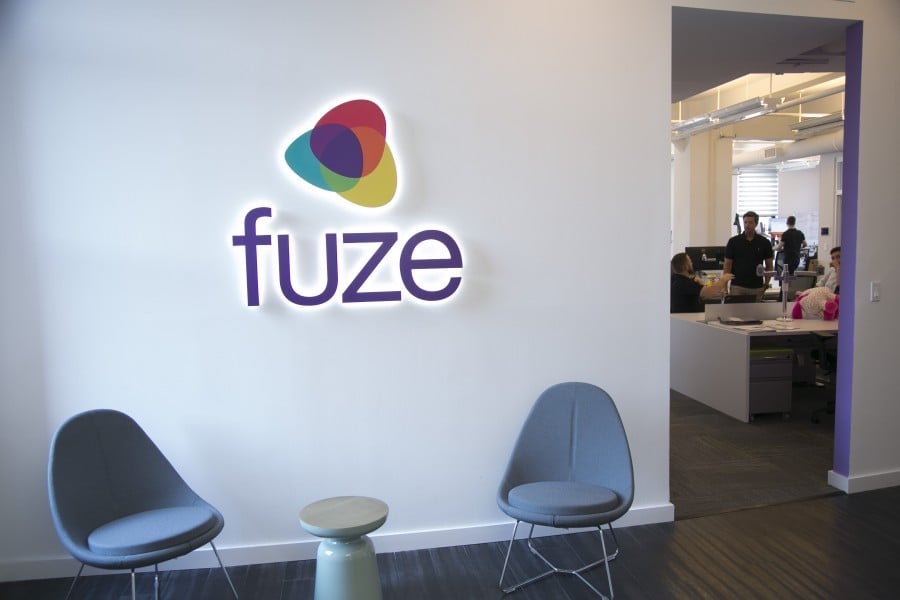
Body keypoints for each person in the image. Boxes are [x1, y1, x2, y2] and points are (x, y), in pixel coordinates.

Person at [723, 211, 774, 301]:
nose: (747, 225)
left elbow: (769, 266)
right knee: (736, 309)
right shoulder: (733, 242)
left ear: (756, 224)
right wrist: (724, 286)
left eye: (750, 222)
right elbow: (727, 265)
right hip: (737, 286)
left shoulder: (764, 242)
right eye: (745, 222)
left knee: (756, 310)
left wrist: (766, 284)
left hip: (757, 287)